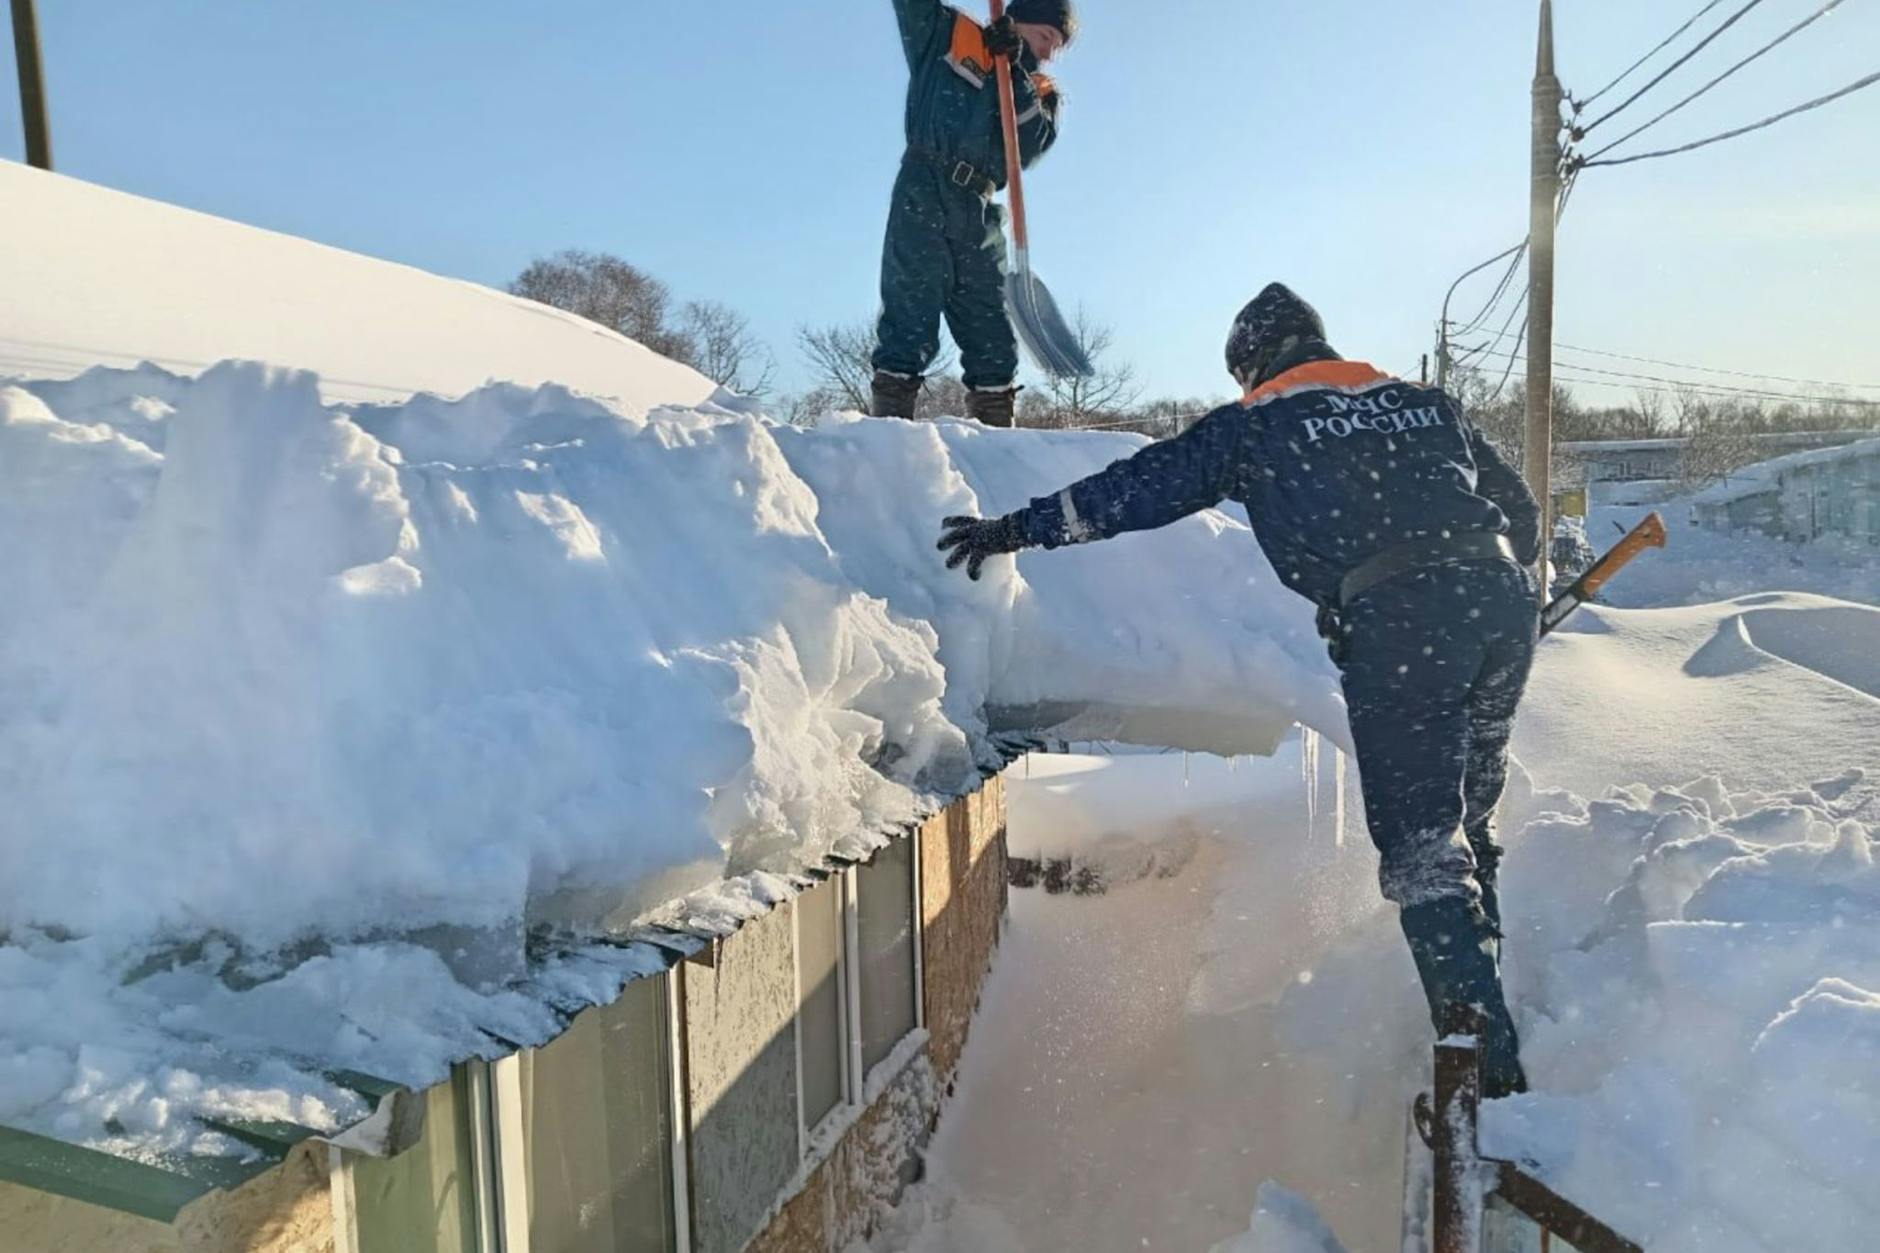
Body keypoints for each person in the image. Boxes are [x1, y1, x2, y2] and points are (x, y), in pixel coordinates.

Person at [936, 283, 1543, 1097]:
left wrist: (1011, 530)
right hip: (1499, 601)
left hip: (1403, 623)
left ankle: (1483, 1072)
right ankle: (1491, 984)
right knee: (1469, 806)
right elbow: (1524, 517)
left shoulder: (1257, 422)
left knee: (1422, 844)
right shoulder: (1426, 403)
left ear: (1249, 366)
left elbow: (1133, 491)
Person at [870, 0, 1076, 427]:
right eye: (1047, 38)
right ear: (1021, 21)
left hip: (981, 207)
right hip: (925, 182)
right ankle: (890, 429)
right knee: (910, 304)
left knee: (990, 323)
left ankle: (996, 434)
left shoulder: (1043, 91)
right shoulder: (950, 33)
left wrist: (1014, 71)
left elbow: (1030, 144)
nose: (1051, 52)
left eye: (1058, 45)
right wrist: (993, 50)